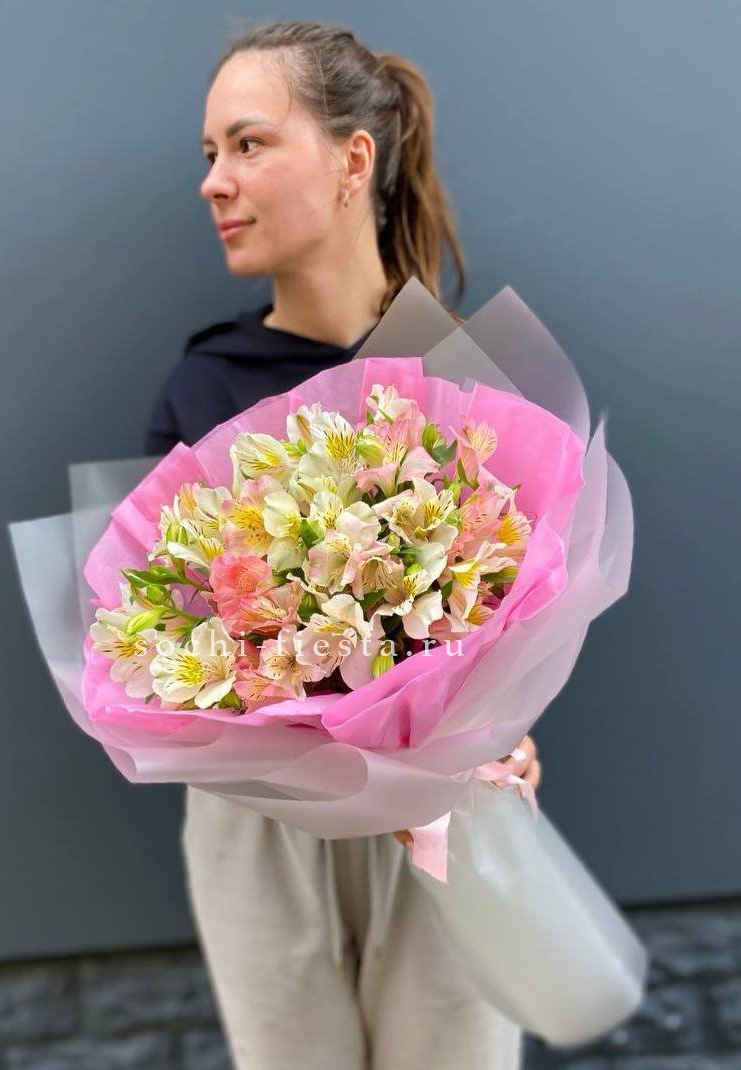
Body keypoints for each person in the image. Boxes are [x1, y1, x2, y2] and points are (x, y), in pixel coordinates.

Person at [143, 20, 541, 1069]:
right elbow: (159, 643)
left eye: (248, 143)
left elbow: (522, 603)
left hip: (445, 798)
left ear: (351, 159)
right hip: (262, 825)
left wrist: (507, 727)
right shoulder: (203, 390)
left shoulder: (461, 377)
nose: (214, 180)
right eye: (210, 153)